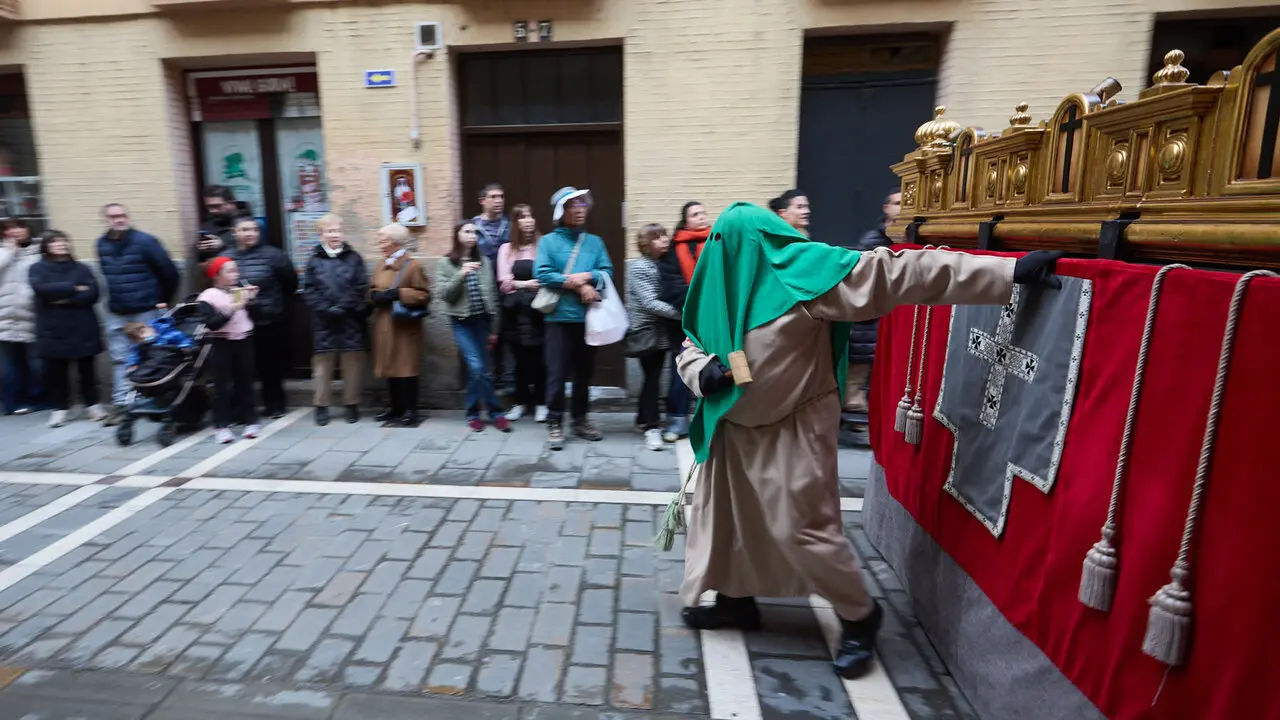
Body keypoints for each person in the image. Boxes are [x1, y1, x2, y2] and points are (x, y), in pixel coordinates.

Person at [672, 202, 1062, 680]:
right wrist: (699, 371)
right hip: (733, 429)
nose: (717, 252)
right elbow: (692, 342)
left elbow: (900, 271)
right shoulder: (719, 283)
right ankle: (736, 600)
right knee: (731, 522)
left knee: (803, 529)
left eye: (723, 244)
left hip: (794, 425)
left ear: (756, 244)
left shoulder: (806, 271)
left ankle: (859, 615)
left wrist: (1007, 272)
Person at [534, 186, 615, 450]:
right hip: (558, 319)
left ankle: (580, 419)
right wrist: (578, 284)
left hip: (588, 318)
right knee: (556, 374)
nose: (580, 210)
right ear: (561, 212)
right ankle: (554, 421)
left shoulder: (595, 242)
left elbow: (607, 271)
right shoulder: (547, 242)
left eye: (582, 205)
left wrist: (591, 277)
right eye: (573, 205)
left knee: (584, 374)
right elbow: (543, 274)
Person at [97, 203, 180, 424]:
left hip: (145, 309)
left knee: (153, 355)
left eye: (123, 215)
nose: (119, 220)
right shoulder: (101, 244)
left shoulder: (145, 241)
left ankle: (156, 399)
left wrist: (163, 299)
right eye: (113, 217)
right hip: (117, 311)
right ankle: (122, 404)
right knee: (120, 358)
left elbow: (169, 271)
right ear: (105, 220)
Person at [219, 215, 297, 419]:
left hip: (268, 318)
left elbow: (291, 282)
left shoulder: (274, 255)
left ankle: (275, 405)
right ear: (234, 232)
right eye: (245, 230)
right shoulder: (226, 257)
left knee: (270, 365)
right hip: (237, 320)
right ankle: (241, 408)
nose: (250, 233)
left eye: (254, 229)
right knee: (239, 367)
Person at [28, 231, 104, 427]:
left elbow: (93, 294)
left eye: (64, 241)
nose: (61, 244)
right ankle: (60, 408)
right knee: (57, 371)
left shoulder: (82, 268)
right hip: (52, 326)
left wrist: (62, 298)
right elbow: (42, 289)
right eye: (55, 242)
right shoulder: (38, 268)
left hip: (82, 323)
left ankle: (93, 405)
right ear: (46, 247)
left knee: (87, 368)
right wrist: (75, 288)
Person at [439, 220, 508, 433]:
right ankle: (489, 413)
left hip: (483, 322)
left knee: (481, 371)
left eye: (474, 233)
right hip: (461, 323)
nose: (472, 236)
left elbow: (493, 297)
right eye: (467, 232)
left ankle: (480, 414)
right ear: (457, 235)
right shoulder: (447, 263)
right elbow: (444, 295)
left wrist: (495, 329)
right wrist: (461, 274)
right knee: (477, 368)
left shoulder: (485, 261)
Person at [302, 214, 368, 426]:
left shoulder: (354, 258)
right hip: (324, 320)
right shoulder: (314, 261)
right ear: (321, 235)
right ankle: (321, 406)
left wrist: (343, 306)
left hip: (349, 318)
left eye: (338, 230)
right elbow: (309, 290)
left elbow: (360, 286)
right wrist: (326, 308)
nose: (335, 234)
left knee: (352, 365)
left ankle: (351, 404)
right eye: (329, 231)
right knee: (322, 367)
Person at [845, 190, 902, 423]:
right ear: (886, 208)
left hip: (894, 318)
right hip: (871, 319)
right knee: (856, 386)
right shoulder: (873, 241)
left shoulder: (911, 238)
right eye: (897, 203)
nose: (902, 208)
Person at [658, 201, 711, 443]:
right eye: (695, 214)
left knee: (713, 369)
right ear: (686, 220)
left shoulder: (717, 243)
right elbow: (670, 286)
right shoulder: (673, 250)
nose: (702, 217)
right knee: (681, 370)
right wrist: (699, 299)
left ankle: (710, 420)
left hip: (714, 320)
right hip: (682, 321)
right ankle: (676, 420)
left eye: (703, 213)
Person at [369, 223, 432, 427]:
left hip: (404, 325)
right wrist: (374, 296)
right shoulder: (380, 264)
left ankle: (411, 410)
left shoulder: (413, 266)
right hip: (384, 323)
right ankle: (394, 408)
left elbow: (424, 295)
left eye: (383, 239)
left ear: (395, 242)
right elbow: (371, 289)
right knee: (389, 367)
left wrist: (399, 293)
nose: (380, 242)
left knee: (406, 368)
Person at [626, 223, 681, 451]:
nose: (664, 240)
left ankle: (641, 419)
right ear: (647, 244)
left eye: (665, 235)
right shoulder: (640, 267)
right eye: (657, 237)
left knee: (652, 377)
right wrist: (683, 314)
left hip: (661, 330)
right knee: (652, 378)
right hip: (647, 330)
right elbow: (650, 303)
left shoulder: (663, 264)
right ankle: (652, 427)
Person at [198, 257, 260, 444]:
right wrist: (231, 309)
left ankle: (251, 420)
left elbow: (257, 316)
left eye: (236, 270)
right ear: (217, 276)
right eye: (230, 271)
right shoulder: (208, 296)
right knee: (221, 386)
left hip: (244, 340)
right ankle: (221, 426)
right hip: (221, 343)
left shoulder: (239, 291)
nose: (236, 274)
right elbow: (211, 324)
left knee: (246, 383)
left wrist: (253, 300)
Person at [496, 204, 546, 423]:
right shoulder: (506, 249)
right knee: (518, 360)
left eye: (531, 215)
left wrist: (523, 284)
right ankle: (520, 402)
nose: (528, 220)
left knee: (542, 359)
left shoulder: (543, 245)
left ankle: (542, 402)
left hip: (541, 310)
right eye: (522, 217)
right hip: (515, 313)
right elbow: (504, 283)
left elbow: (550, 275)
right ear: (515, 223)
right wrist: (526, 283)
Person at [0, 218, 42, 415]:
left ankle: (38, 398)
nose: (14, 232)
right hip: (4, 317)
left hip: (32, 315)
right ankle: (13, 403)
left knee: (36, 363)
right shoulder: (2, 251)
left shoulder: (39, 251)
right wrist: (9, 252)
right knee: (7, 366)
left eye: (19, 227)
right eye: (9, 229)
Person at [473, 183, 512, 393]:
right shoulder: (472, 227)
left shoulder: (511, 225)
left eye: (502, 196)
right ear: (482, 201)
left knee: (507, 334)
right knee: (485, 335)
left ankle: (508, 379)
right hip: (482, 289)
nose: (499, 201)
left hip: (507, 287)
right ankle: (487, 379)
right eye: (494, 197)